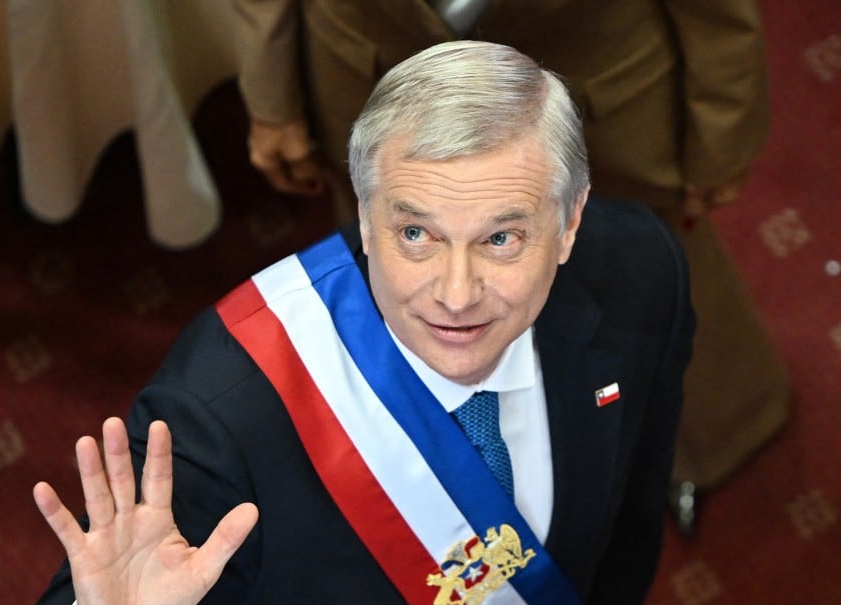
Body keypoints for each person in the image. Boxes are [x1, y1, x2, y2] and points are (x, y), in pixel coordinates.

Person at [0, 41, 693, 605]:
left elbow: (636, 492)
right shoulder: (225, 416)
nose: (456, 294)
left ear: (571, 220)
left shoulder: (635, 274)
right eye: (415, 234)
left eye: (500, 238)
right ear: (363, 214)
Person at [233, 0, 788, 534]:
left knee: (651, 271)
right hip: (371, 60)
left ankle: (707, 442)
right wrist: (271, 95)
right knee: (410, 281)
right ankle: (451, 447)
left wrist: (723, 132)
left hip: (598, 84)